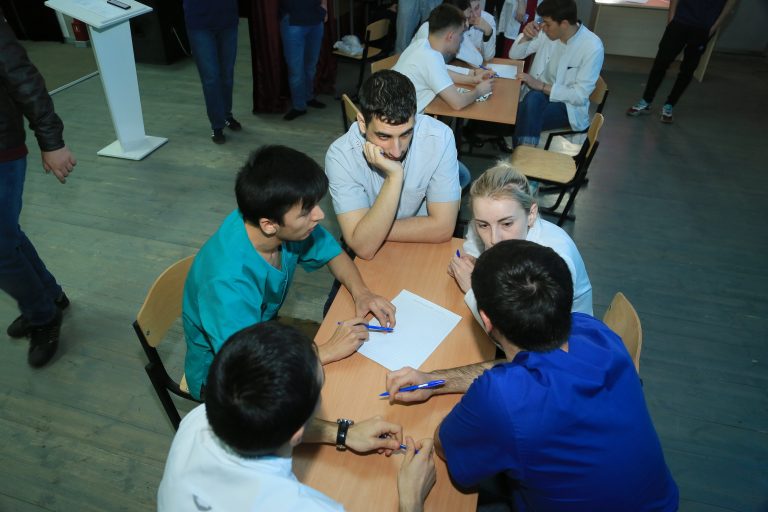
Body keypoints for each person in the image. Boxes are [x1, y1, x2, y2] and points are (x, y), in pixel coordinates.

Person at [387, 240, 680, 510]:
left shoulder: (502, 398)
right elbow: (522, 369)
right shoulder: (593, 331)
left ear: (486, 320)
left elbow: (445, 447)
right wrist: (436, 380)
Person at [183, 146, 395, 399]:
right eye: (306, 212)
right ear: (269, 225)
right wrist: (326, 350)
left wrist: (362, 293)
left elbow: (334, 253)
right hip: (229, 378)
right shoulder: (226, 285)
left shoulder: (273, 216)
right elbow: (248, 368)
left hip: (261, 335)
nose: (319, 215)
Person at [158, 322, 437, 511]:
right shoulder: (307, 507)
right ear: (296, 433)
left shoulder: (197, 420)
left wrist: (342, 433)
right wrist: (411, 499)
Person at [1, 12, 77, 368]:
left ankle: (43, 316)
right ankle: (50, 295)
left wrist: (52, 141)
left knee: (1, 247)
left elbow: (21, 76)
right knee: (7, 235)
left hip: (3, 148)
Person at [325, 70, 462, 261]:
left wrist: (371, 232)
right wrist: (395, 176)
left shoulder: (439, 137)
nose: (396, 151)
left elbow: (444, 228)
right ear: (362, 123)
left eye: (406, 134)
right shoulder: (340, 156)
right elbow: (364, 248)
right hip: (381, 256)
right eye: (384, 136)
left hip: (423, 249)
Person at [448, 162, 592, 325]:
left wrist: (472, 289)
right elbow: (473, 247)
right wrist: (474, 261)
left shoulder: (552, 263)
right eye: (483, 225)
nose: (494, 239)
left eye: (507, 224)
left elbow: (518, 334)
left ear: (531, 214)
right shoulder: (492, 219)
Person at [508, 0, 603, 147]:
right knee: (531, 102)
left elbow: (579, 96)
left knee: (519, 114)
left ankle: (522, 154)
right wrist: (526, 36)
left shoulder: (592, 46)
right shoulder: (547, 33)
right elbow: (514, 55)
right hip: (536, 99)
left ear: (564, 24)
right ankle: (525, 154)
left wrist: (541, 86)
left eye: (547, 23)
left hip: (567, 106)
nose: (543, 27)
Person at [626, 0, 736, 124]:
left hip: (703, 29)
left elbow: (730, 4)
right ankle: (646, 101)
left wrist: (713, 27)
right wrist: (671, 19)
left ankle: (669, 105)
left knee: (688, 69)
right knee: (661, 62)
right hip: (679, 22)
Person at [394, 4, 493, 113]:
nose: (461, 39)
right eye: (461, 34)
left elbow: (442, 72)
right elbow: (458, 103)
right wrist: (479, 91)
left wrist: (473, 79)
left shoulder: (421, 45)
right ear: (450, 36)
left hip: (392, 112)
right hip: (400, 119)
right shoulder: (431, 57)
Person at [182, 0, 242, 144]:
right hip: (199, 22)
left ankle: (226, 115)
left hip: (228, 19)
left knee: (227, 75)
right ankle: (217, 125)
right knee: (211, 78)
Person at [279, 0, 329, 121]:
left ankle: (308, 97)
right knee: (296, 70)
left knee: (310, 66)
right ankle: (299, 105)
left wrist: (324, 6)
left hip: (315, 20)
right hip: (293, 21)